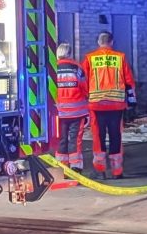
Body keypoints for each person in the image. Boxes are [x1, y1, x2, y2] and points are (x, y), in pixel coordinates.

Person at [84, 30, 135, 178]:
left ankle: (100, 170)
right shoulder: (120, 57)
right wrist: (132, 101)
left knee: (98, 137)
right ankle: (117, 171)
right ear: (111, 42)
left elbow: (83, 81)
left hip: (96, 105)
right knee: (115, 136)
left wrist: (84, 100)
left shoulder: (89, 58)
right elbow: (129, 81)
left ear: (98, 42)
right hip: (116, 105)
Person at [54, 42, 90, 170]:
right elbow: (85, 89)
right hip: (77, 113)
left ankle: (61, 167)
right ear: (70, 53)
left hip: (59, 112)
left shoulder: (53, 69)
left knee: (61, 139)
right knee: (75, 139)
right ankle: (75, 167)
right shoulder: (77, 68)